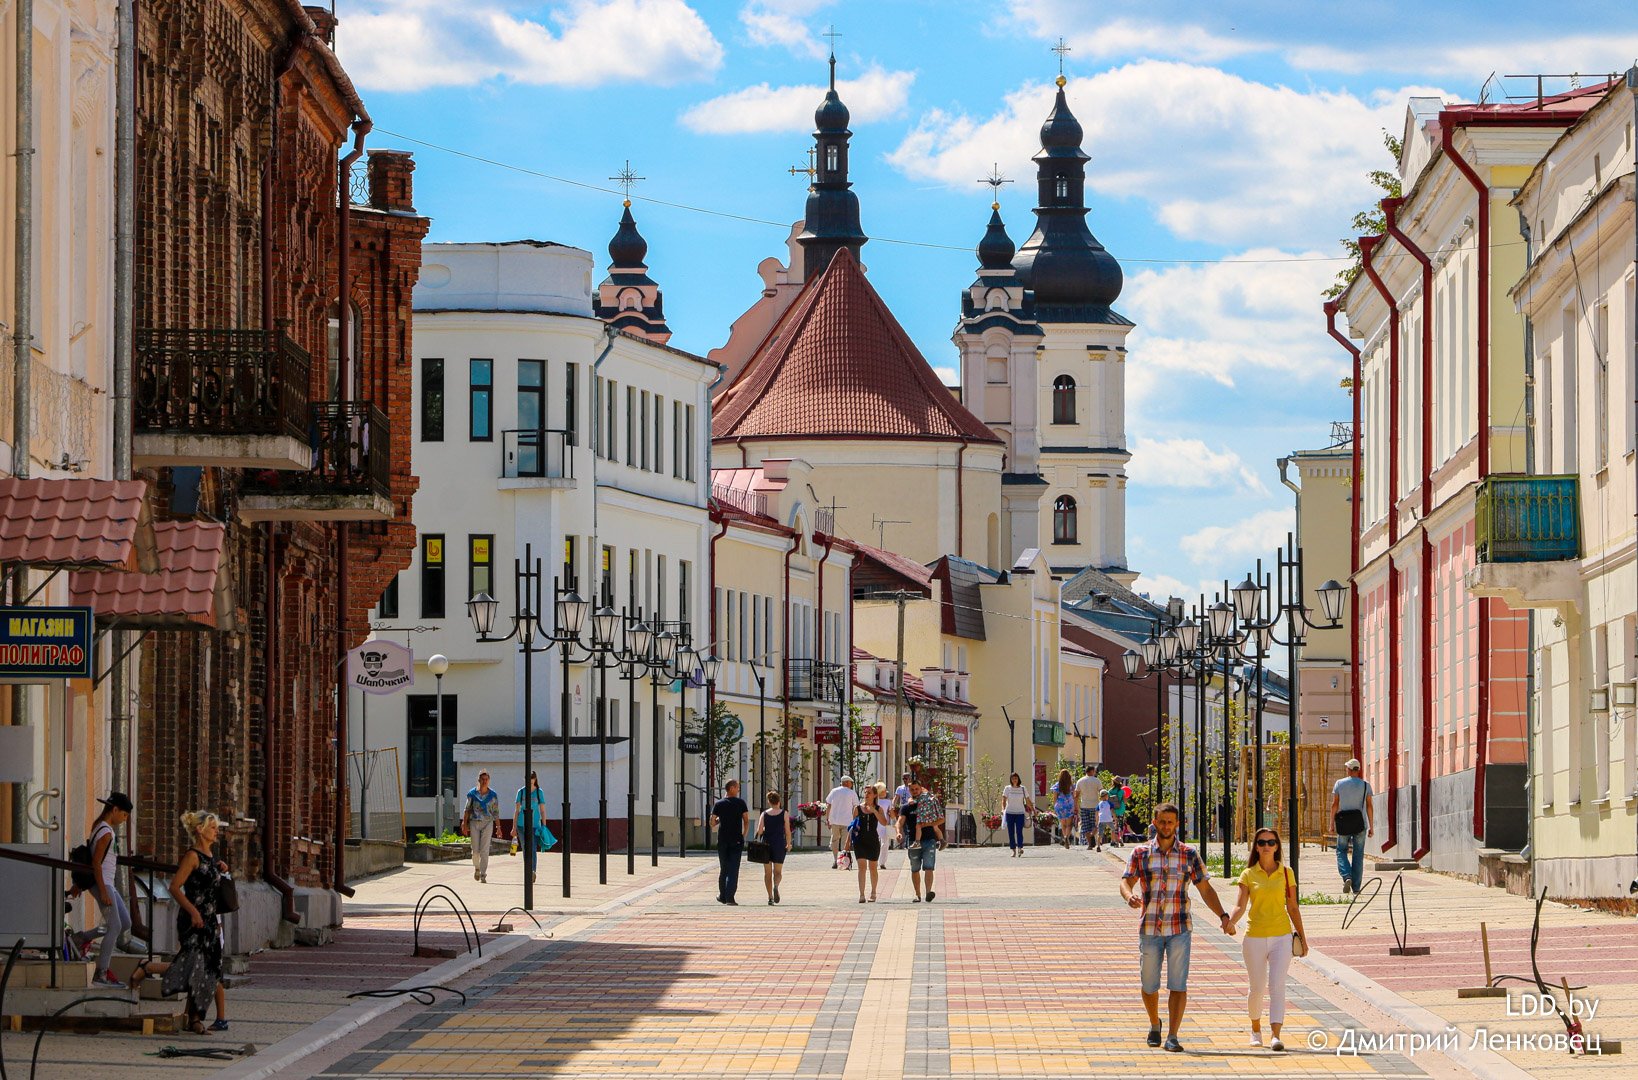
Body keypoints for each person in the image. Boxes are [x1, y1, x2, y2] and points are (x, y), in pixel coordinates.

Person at [1119, 802, 1235, 1054]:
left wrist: (1223, 916)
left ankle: (1172, 1034)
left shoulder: (1189, 854)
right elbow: (1126, 881)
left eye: (1170, 822)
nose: (1166, 826)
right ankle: (1154, 1024)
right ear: (1154, 822)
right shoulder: (1140, 853)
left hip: (1180, 927)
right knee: (1149, 985)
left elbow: (1205, 889)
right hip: (1150, 928)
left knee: (1178, 983)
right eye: (1162, 821)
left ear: (1177, 824)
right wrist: (1129, 896)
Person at [128, 811, 228, 1034]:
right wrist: (193, 912)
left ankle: (193, 1018)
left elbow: (212, 887)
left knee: (206, 970)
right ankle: (148, 968)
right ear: (200, 830)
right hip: (192, 920)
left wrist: (221, 869)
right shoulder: (192, 856)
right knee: (194, 966)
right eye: (213, 827)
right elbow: (174, 887)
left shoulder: (211, 856)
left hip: (210, 921)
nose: (216, 831)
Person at [1228, 827, 1308, 1051]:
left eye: (1271, 842)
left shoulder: (1286, 873)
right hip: (1254, 937)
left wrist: (1302, 936)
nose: (1266, 846)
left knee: (1277, 985)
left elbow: (1292, 906)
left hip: (1281, 936)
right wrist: (1230, 921)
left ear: (1277, 846)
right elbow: (1240, 905)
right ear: (1256, 846)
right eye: (1261, 842)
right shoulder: (1248, 874)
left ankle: (1275, 1035)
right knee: (1257, 987)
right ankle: (1255, 1030)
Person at [83, 792, 133, 987]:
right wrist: (103, 891)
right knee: (114, 927)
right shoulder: (105, 831)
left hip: (108, 883)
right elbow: (95, 863)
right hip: (103, 883)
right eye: (124, 815)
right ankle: (101, 973)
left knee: (125, 922)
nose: (124, 819)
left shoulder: (101, 827)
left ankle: (82, 938)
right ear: (115, 810)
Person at [1330, 759, 1374, 894]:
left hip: (1343, 823)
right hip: (1360, 824)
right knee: (1358, 854)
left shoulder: (1339, 783)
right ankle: (1356, 887)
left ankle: (1346, 876)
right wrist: (1371, 826)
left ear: (1348, 769)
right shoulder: (1366, 785)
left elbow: (1335, 805)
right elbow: (1369, 806)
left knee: (1341, 850)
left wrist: (1331, 823)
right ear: (1358, 770)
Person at [902, 778, 944, 902]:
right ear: (909, 791)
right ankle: (917, 894)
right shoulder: (907, 807)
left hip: (929, 840)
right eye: (912, 790)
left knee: (929, 867)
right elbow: (900, 821)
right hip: (913, 841)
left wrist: (927, 824)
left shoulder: (928, 802)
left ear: (921, 789)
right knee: (915, 869)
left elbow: (941, 819)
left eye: (917, 789)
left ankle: (928, 892)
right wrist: (899, 831)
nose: (915, 791)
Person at [513, 771, 557, 884]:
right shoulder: (521, 792)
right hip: (521, 825)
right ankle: (527, 870)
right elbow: (516, 810)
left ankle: (532, 870)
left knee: (532, 848)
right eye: (528, 777)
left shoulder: (539, 792)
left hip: (535, 825)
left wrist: (544, 826)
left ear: (535, 779)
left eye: (532, 777)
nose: (530, 780)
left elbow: (542, 810)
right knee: (525, 847)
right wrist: (514, 827)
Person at [710, 780, 750, 904]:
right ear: (732, 788)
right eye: (737, 787)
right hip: (736, 840)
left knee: (724, 868)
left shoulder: (719, 804)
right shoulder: (741, 803)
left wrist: (718, 820)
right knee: (733, 869)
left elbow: (712, 822)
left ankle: (722, 895)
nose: (738, 790)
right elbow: (746, 820)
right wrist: (743, 835)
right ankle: (730, 897)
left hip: (722, 840)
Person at [460, 771, 501, 883]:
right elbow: (467, 809)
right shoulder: (472, 794)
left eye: (486, 779)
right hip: (474, 823)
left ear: (489, 780)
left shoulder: (493, 795)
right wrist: (464, 823)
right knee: (475, 850)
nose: (484, 781)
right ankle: (477, 868)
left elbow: (496, 812)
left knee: (485, 850)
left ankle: (483, 874)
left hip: (487, 823)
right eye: (482, 779)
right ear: (479, 780)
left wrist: (498, 828)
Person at [851, 783, 889, 902]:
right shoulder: (857, 808)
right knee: (861, 867)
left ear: (874, 795)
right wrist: (848, 843)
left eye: (869, 793)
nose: (866, 795)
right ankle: (861, 894)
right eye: (865, 792)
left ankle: (873, 892)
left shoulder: (878, 809)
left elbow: (884, 822)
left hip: (873, 840)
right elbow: (853, 826)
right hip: (859, 841)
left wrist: (874, 811)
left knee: (873, 867)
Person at [753, 791, 792, 905]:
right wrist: (788, 844)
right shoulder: (784, 813)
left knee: (767, 873)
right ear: (779, 801)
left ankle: (770, 897)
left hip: (766, 844)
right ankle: (776, 885)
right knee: (778, 872)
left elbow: (760, 831)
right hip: (779, 843)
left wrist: (764, 830)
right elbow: (788, 831)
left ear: (769, 802)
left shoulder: (764, 814)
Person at [824, 776, 860, 868]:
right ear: (847, 783)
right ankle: (844, 861)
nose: (851, 785)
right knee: (845, 842)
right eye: (851, 783)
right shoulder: (852, 793)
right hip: (847, 821)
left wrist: (827, 819)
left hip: (834, 820)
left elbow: (828, 805)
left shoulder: (834, 791)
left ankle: (835, 860)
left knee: (834, 840)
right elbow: (856, 807)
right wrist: (856, 820)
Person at [1001, 772, 1032, 856]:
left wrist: (1033, 809)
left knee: (1019, 831)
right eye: (1013, 778)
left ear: (1018, 779)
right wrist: (1003, 809)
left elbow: (1028, 800)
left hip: (1020, 813)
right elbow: (1003, 800)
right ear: (1011, 780)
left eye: (1016, 778)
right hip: (1009, 812)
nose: (1014, 780)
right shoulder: (1007, 788)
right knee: (1011, 832)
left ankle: (1020, 848)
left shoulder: (1022, 788)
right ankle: (1013, 850)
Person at [1073, 766, 1100, 848]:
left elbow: (1076, 796)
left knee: (1085, 825)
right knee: (1095, 825)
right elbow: (1101, 792)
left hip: (1084, 806)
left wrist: (1076, 806)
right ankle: (1092, 835)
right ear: (1092, 771)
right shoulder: (1097, 781)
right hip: (1095, 806)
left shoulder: (1080, 781)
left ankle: (1089, 844)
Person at [1052, 769, 1076, 849]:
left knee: (1063, 824)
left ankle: (1064, 836)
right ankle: (1067, 837)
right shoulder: (1071, 785)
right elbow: (1074, 796)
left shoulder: (1058, 785)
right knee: (1069, 824)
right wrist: (1075, 806)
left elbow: (1055, 797)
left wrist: (1055, 806)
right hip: (1069, 804)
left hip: (1060, 805)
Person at [890, 773, 913, 849]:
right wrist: (893, 805)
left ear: (909, 779)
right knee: (902, 826)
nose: (904, 780)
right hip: (902, 809)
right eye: (903, 779)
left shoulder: (912, 787)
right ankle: (904, 844)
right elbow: (896, 798)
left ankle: (908, 843)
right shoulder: (900, 788)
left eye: (906, 778)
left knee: (909, 826)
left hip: (910, 808)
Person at [1107, 780, 1128, 846]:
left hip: (1113, 810)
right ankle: (1120, 838)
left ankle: (1114, 840)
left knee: (1114, 825)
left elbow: (1108, 801)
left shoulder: (1109, 791)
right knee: (1120, 825)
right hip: (1121, 809)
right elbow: (1125, 802)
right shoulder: (1122, 791)